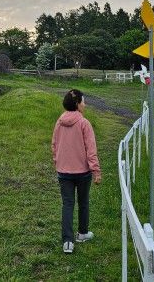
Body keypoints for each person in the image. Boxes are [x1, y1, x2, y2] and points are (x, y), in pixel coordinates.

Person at [51, 89, 101, 254]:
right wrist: (96, 171)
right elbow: (91, 149)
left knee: (67, 204)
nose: (85, 104)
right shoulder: (84, 123)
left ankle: (67, 242)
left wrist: (57, 162)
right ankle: (82, 233)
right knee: (83, 202)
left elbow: (54, 145)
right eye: (83, 101)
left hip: (63, 172)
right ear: (78, 104)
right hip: (82, 172)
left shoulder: (59, 122)